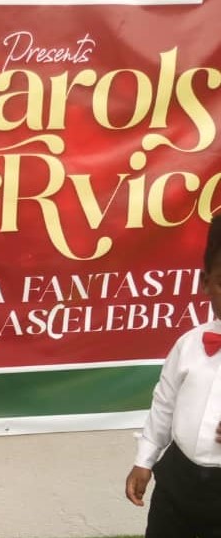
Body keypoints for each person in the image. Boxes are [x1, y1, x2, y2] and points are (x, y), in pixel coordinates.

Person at [125, 214, 221, 537]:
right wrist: (144, 459)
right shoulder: (189, 344)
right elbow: (164, 404)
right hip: (177, 481)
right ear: (205, 282)